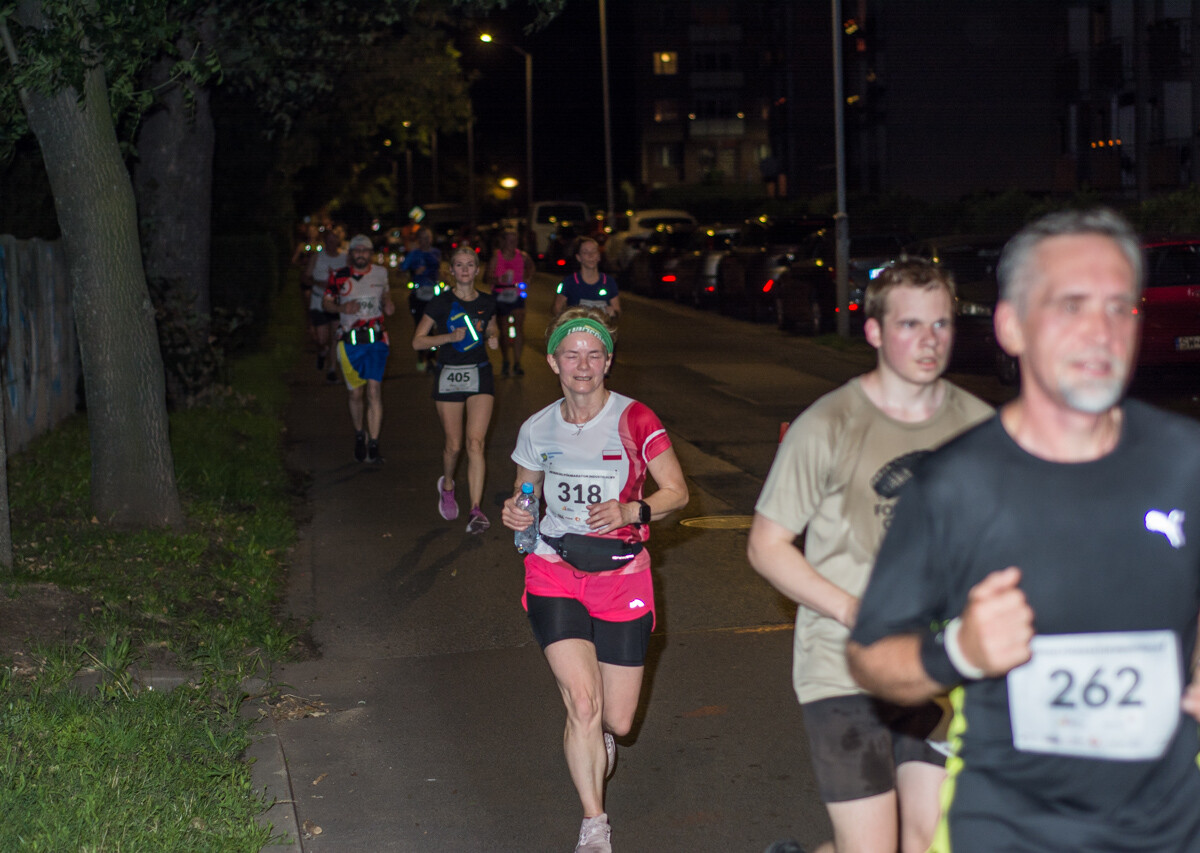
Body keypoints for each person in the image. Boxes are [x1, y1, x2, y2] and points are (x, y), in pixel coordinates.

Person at [846, 208, 1200, 852]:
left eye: (1120, 307)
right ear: (1011, 326)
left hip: (1169, 830)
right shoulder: (955, 484)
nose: (1100, 333)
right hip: (1013, 830)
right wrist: (960, 653)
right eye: (1071, 306)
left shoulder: (1186, 463)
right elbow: (870, 656)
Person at [747, 259, 992, 853]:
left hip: (937, 669)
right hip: (841, 665)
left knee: (929, 841)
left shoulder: (981, 427)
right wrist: (857, 610)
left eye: (941, 324)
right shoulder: (830, 424)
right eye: (911, 325)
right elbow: (766, 545)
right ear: (875, 332)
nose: (929, 341)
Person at [501, 307, 688, 853]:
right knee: (582, 702)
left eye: (593, 354)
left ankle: (599, 735)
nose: (582, 365)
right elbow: (526, 496)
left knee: (619, 721)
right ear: (553, 361)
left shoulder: (636, 419)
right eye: (571, 354)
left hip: (621, 576)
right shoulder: (537, 427)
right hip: (553, 570)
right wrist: (518, 513)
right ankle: (594, 825)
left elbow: (676, 491)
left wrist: (633, 512)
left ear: (608, 360)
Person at [412, 246, 500, 534]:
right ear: (452, 271)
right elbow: (418, 342)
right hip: (449, 374)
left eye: (470, 264)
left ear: (477, 270)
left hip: (479, 374)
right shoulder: (440, 303)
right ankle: (448, 484)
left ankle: (476, 509)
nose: (464, 269)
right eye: (459, 265)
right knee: (454, 445)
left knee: (476, 443)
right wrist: (449, 337)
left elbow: (491, 328)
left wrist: (494, 336)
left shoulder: (488, 302)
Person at [323, 234, 395, 463]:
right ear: (351, 254)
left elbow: (386, 295)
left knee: (374, 391)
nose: (361, 254)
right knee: (356, 393)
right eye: (357, 251)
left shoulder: (381, 273)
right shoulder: (339, 276)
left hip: (376, 340)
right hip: (349, 342)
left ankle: (373, 443)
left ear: (370, 254)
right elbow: (326, 302)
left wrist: (389, 303)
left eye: (365, 251)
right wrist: (342, 306)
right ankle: (358, 433)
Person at [485, 228, 535, 376]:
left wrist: (528, 278)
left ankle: (517, 363)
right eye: (510, 239)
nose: (513, 243)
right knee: (504, 329)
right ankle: (506, 360)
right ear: (504, 241)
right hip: (500, 294)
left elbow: (531, 267)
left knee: (519, 328)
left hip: (517, 294)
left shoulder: (523, 256)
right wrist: (499, 279)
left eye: (515, 240)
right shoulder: (496, 257)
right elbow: (487, 277)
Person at [306, 224, 345, 382]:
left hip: (336, 303)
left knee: (336, 336)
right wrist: (318, 282)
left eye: (334, 240)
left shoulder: (344, 258)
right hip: (319, 302)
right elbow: (306, 277)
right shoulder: (318, 257)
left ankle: (332, 369)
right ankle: (322, 351)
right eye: (328, 240)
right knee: (321, 339)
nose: (331, 243)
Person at [402, 227, 443, 371]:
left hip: (433, 294)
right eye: (423, 238)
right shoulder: (413, 254)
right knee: (421, 326)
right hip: (418, 295)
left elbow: (439, 271)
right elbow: (400, 272)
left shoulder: (436, 253)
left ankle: (432, 356)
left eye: (428, 237)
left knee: (433, 326)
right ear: (418, 240)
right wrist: (413, 272)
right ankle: (422, 354)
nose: (426, 241)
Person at [552, 238, 621, 320]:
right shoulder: (569, 282)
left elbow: (617, 310)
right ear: (578, 257)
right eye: (585, 252)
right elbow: (557, 308)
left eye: (594, 251)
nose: (590, 255)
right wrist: (568, 320)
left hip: (600, 330)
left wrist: (613, 314)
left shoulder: (609, 282)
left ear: (599, 256)